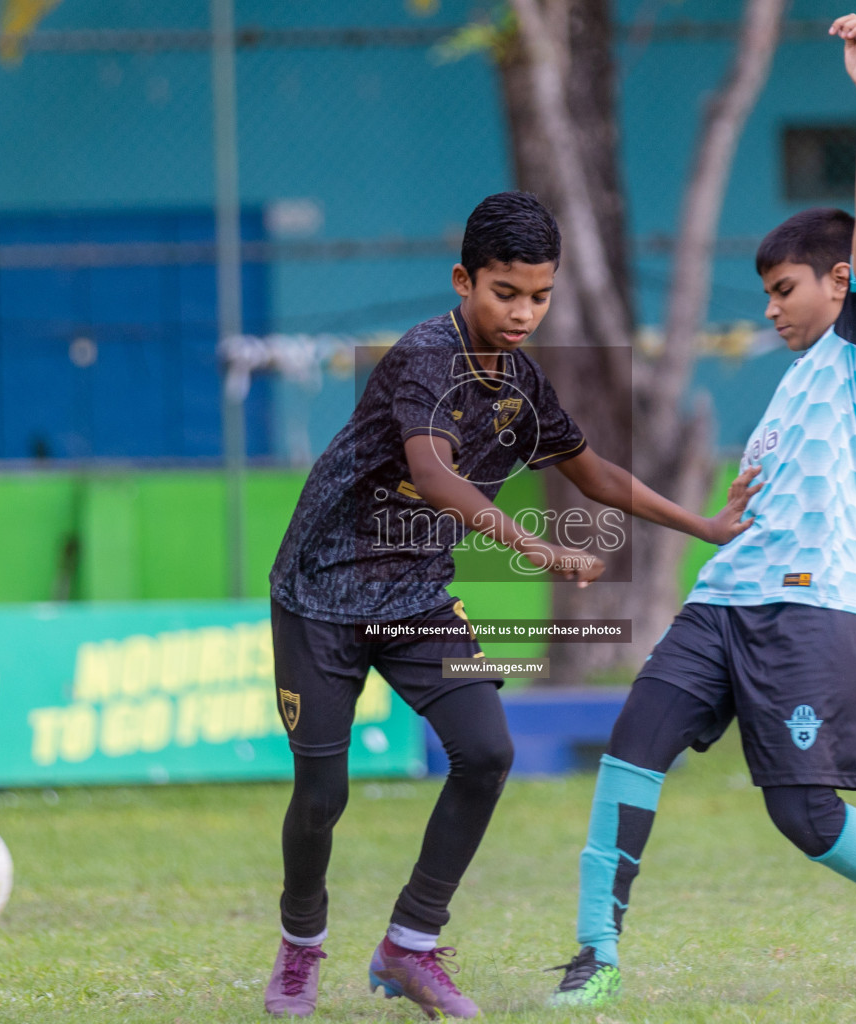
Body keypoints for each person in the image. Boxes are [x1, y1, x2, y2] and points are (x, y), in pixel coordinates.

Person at [544, 16, 856, 1007]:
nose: (772, 308)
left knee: (803, 814)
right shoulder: (803, 393)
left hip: (801, 614)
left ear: (842, 283)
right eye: (764, 293)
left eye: (784, 288)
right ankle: (593, 952)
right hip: (725, 599)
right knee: (633, 743)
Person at [262, 190, 761, 1018]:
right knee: (321, 797)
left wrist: (702, 524)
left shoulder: (519, 382)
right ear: (464, 280)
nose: (524, 311)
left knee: (487, 752)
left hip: (415, 597)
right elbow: (433, 474)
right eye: (506, 292)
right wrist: (530, 545)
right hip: (319, 594)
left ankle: (409, 947)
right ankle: (300, 946)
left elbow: (591, 471)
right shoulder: (425, 357)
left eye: (540, 295)